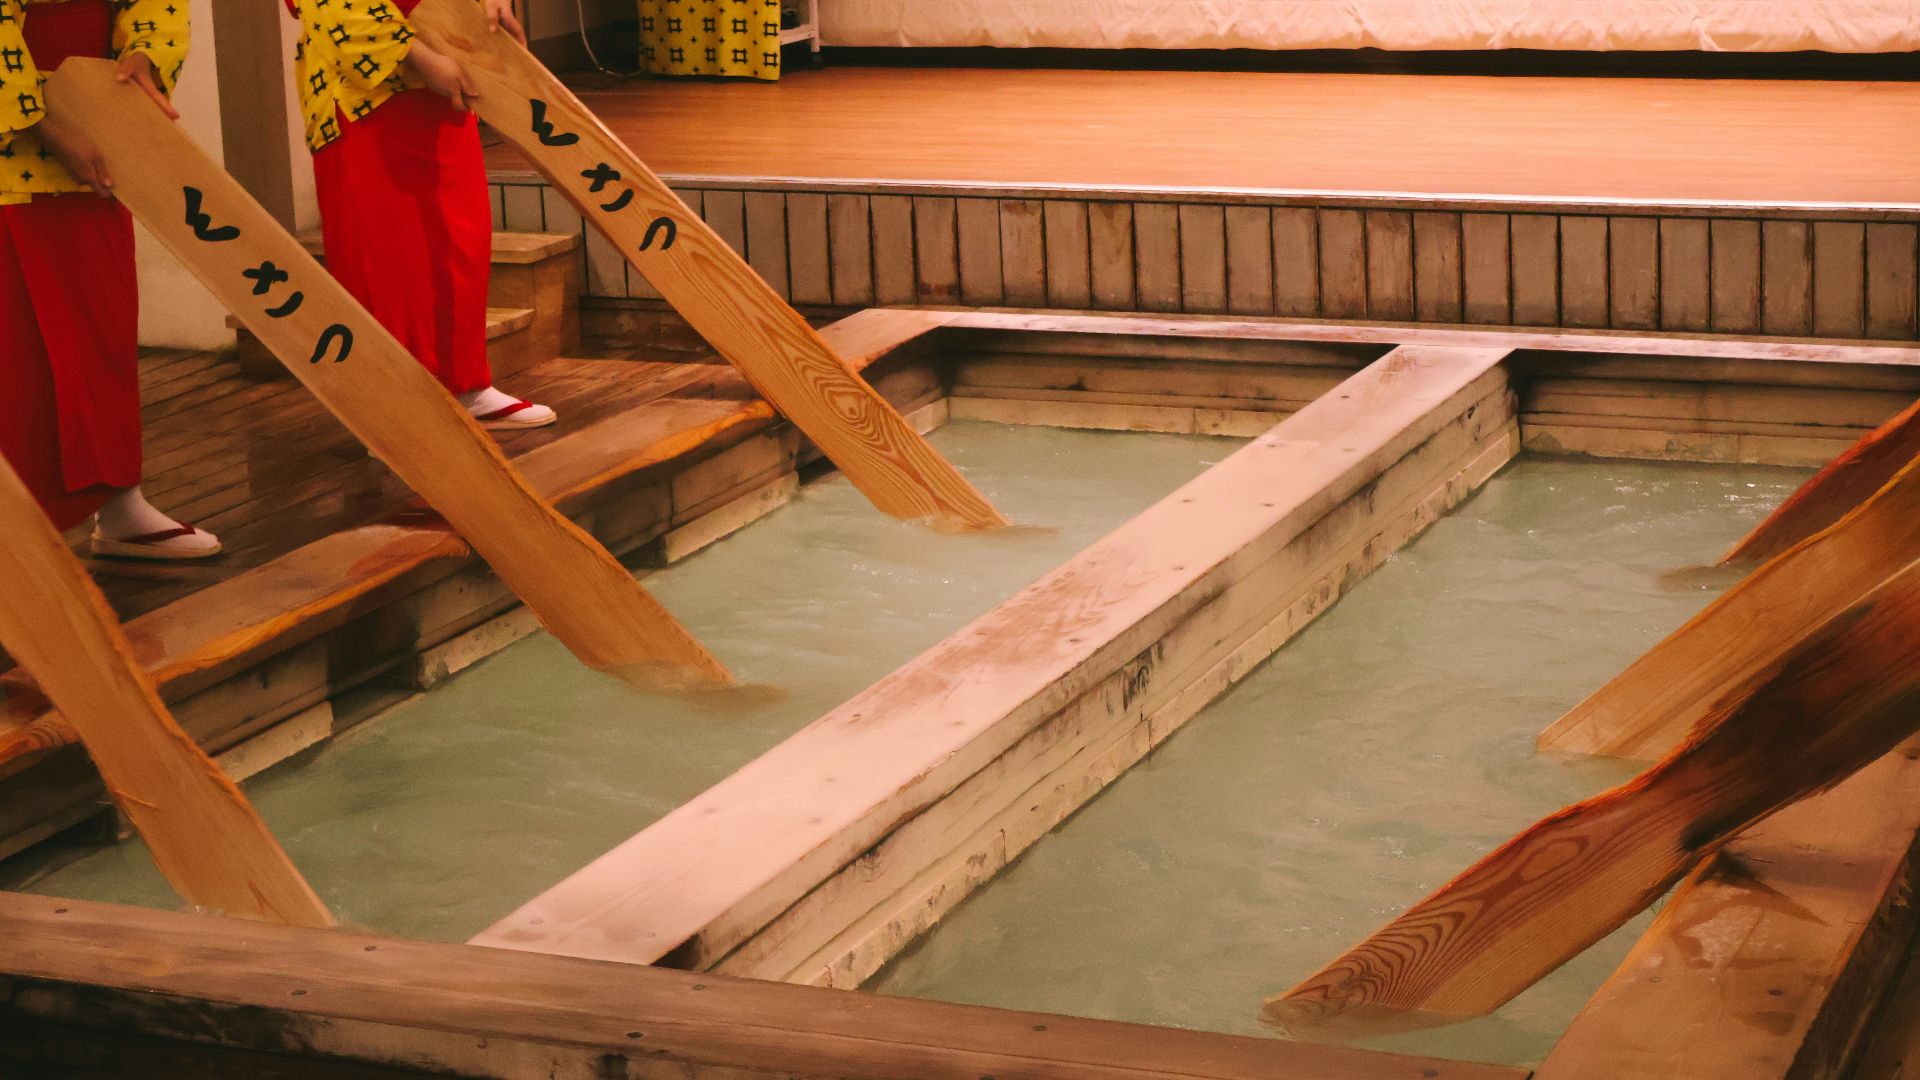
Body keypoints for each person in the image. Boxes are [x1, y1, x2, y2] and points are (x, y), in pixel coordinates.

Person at [0, 0, 221, 558]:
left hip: (96, 110)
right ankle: (19, 535)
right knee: (20, 347)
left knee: (104, 323)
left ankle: (120, 501)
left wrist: (141, 57)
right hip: (15, 136)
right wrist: (44, 124)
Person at [287, 0, 555, 429]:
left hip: (441, 53)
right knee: (391, 257)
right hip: (367, 95)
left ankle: (467, 385)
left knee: (459, 236)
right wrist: (419, 56)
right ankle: (397, 411)